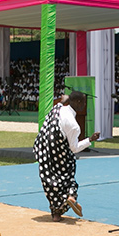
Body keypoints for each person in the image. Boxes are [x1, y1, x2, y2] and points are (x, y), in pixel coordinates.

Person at [34, 91, 100, 221]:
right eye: (84, 102)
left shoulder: (58, 109)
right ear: (79, 103)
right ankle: (71, 196)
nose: (85, 105)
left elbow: (60, 103)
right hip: (60, 155)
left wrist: (64, 100)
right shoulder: (74, 125)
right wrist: (90, 139)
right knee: (68, 177)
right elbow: (74, 148)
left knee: (51, 182)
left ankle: (56, 214)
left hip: (45, 152)